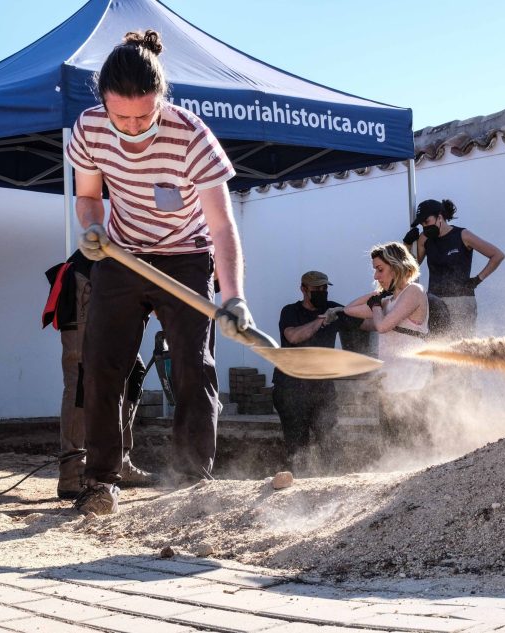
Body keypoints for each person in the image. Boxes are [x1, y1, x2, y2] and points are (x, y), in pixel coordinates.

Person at [64, 30, 256, 515]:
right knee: (102, 367)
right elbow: (88, 198)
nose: (131, 127)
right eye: (120, 115)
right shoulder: (88, 129)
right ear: (102, 102)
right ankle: (99, 480)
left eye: (144, 115)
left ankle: (191, 481)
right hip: (122, 254)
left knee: (193, 366)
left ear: (162, 99)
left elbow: (221, 226)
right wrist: (92, 228)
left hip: (187, 257)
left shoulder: (191, 136)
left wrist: (233, 298)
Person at [42, 250, 154, 499]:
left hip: (120, 286)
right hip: (88, 280)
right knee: (83, 374)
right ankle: (74, 470)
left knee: (133, 371)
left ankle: (118, 461)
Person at [342, 242, 432, 445]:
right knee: (391, 445)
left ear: (397, 266)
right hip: (390, 385)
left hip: (413, 384)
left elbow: (382, 326)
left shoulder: (414, 291)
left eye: (380, 270)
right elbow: (349, 309)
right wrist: (377, 297)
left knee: (412, 444)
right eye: (375, 270)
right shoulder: (388, 301)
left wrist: (375, 305)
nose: (376, 276)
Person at [272, 271, 345, 472]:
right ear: (303, 289)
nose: (322, 292)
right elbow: (294, 336)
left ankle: (332, 485)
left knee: (330, 441)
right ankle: (298, 487)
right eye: (316, 289)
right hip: (291, 389)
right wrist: (321, 321)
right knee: (297, 446)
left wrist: (378, 305)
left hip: (322, 387)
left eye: (325, 289)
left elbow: (363, 322)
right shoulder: (290, 312)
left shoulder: (333, 309)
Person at [403, 199, 504, 338]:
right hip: (435, 300)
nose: (424, 227)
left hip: (461, 301)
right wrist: (407, 245)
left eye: (426, 222)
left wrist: (477, 279)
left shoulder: (463, 235)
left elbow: (497, 255)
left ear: (440, 217)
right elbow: (410, 269)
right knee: (437, 345)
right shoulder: (424, 239)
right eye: (422, 224)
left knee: (461, 347)